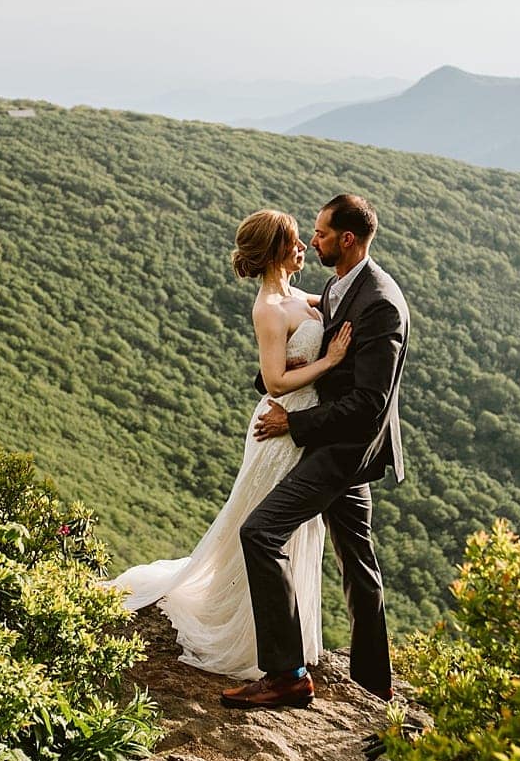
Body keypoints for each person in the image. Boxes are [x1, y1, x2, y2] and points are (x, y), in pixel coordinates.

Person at [105, 209, 352, 679]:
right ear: (277, 251)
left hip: (301, 424)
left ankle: (282, 638)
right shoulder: (268, 308)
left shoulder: (299, 296)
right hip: (279, 424)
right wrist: (332, 360)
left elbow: (339, 304)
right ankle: (251, 637)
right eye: (296, 241)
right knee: (262, 524)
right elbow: (276, 382)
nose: (303, 247)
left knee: (285, 529)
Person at [221, 193, 409, 711]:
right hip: (330, 442)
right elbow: (296, 351)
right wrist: (272, 382)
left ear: (347, 239)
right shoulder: (338, 285)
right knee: (359, 565)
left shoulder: (381, 302)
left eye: (322, 233)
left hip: (342, 450)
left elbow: (368, 405)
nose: (313, 240)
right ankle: (375, 687)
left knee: (260, 533)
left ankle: (286, 675)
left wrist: (294, 422)